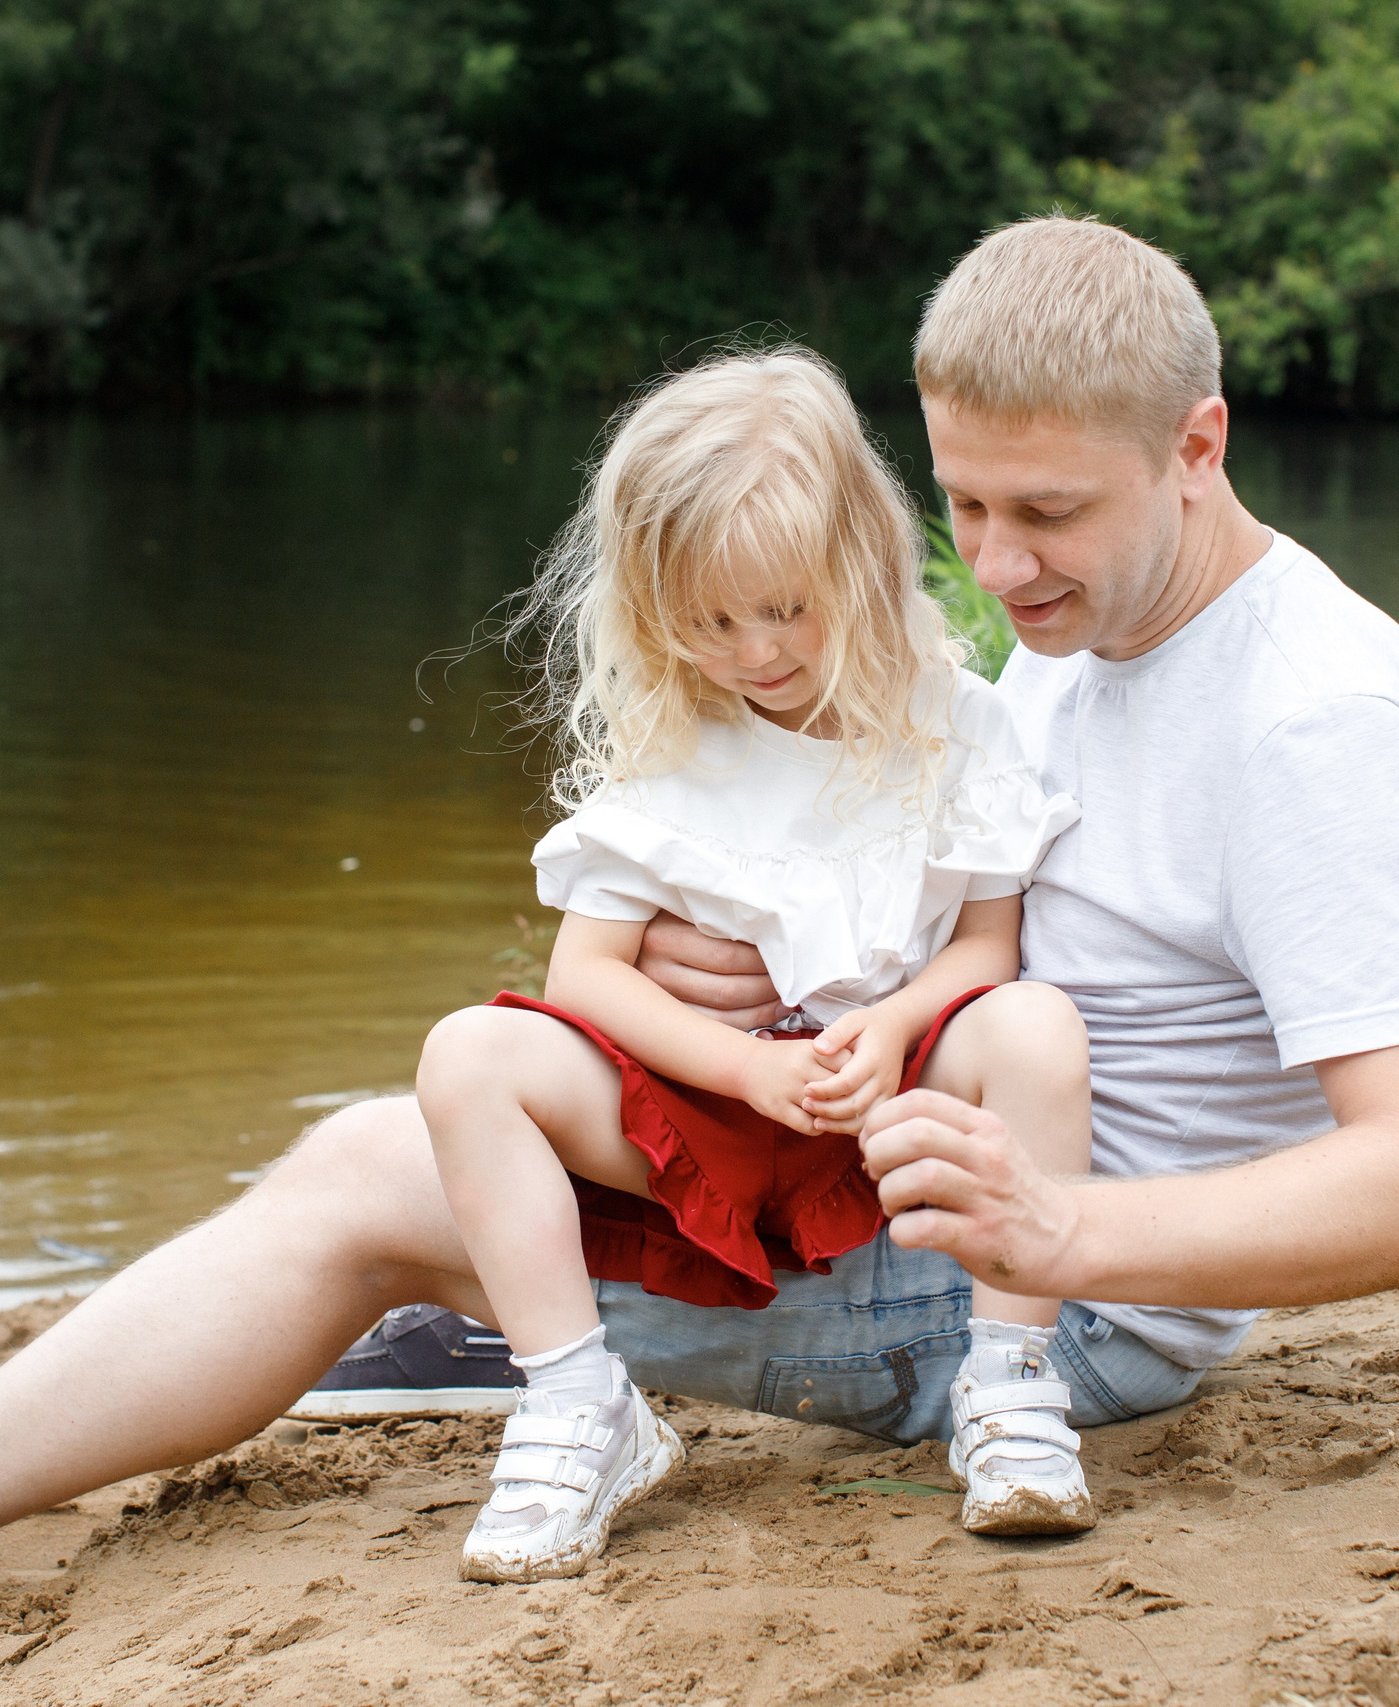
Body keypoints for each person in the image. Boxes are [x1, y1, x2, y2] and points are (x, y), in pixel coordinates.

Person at [0, 215, 1399, 1631]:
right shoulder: (1081, 636)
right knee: (449, 1107)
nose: (994, 567)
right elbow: (947, 880)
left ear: (1199, 441)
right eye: (966, 505)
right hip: (919, 1176)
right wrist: (731, 960)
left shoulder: (1314, 712)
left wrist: (1064, 1227)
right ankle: (519, 1326)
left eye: (1048, 516)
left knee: (356, 1176)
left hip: (1057, 1313)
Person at [418, 349, 1088, 1582]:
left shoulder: (954, 721)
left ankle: (1010, 1390)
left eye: (785, 609)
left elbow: (987, 946)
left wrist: (890, 1029)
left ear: (860, 563)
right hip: (717, 1114)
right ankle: (576, 1401)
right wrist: (740, 1068)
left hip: (892, 1102)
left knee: (1037, 1022)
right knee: (468, 1052)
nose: (753, 651)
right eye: (708, 621)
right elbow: (587, 981)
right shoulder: (679, 745)